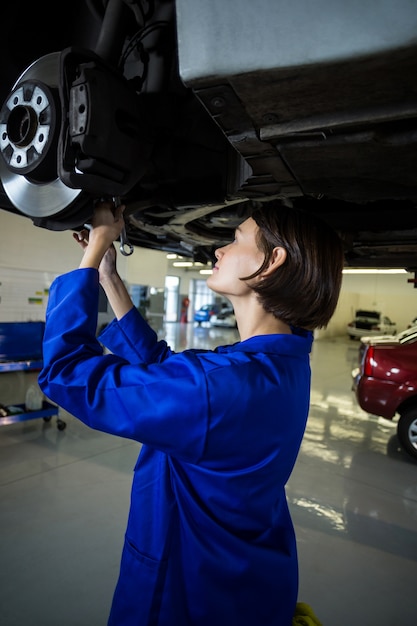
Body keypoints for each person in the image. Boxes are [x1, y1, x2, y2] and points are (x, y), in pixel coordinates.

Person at [38, 199, 344, 626]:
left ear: (273, 261)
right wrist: (108, 276)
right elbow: (166, 371)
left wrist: (92, 254)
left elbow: (65, 373)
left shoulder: (219, 386)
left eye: (235, 239)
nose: (217, 251)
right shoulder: (286, 363)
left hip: (184, 594)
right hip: (248, 585)